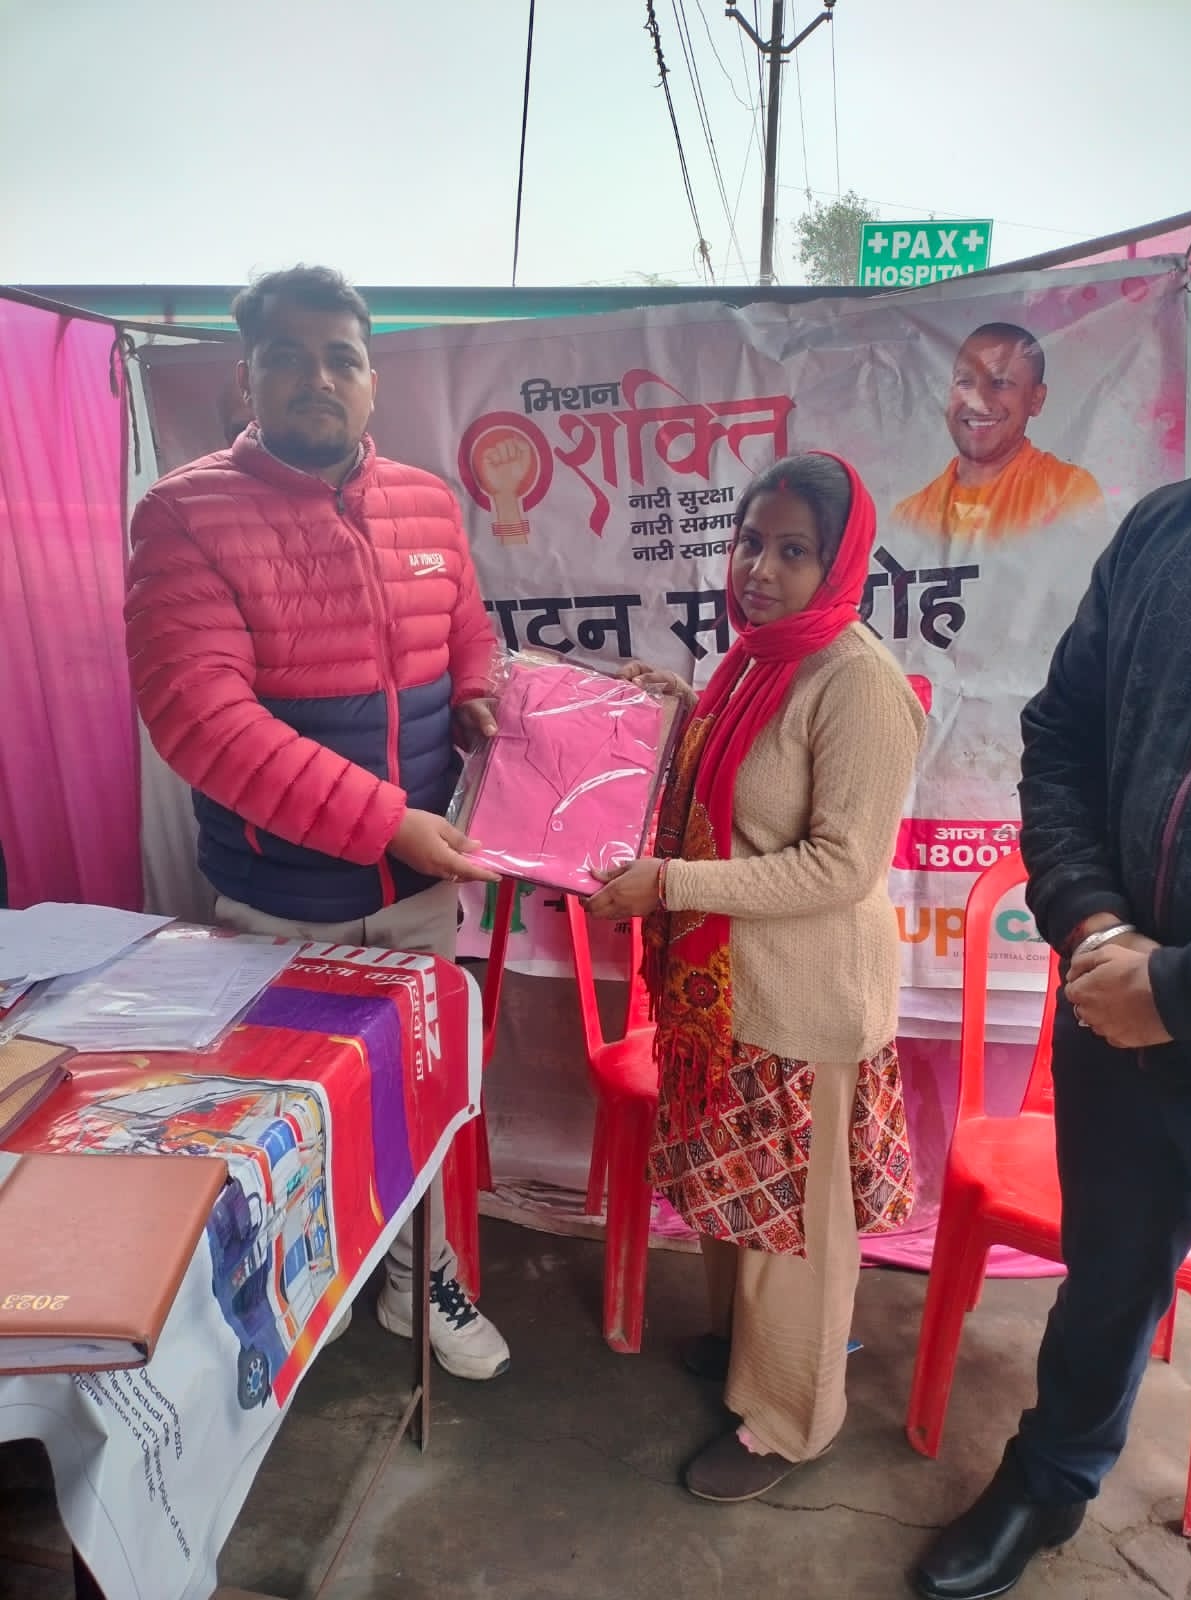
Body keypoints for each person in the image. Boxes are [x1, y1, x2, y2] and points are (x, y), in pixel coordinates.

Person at [124, 265, 511, 1382]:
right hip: (280, 904)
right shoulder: (184, 515)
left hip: (419, 891)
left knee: (425, 1101)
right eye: (287, 357)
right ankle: (312, 1283)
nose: (318, 378)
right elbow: (202, 721)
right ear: (247, 379)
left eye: (341, 357)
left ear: (372, 379)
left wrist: (477, 694)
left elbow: (469, 630)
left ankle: (418, 1280)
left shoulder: (427, 502)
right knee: (295, 1124)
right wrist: (388, 823)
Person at [588, 451, 925, 1500]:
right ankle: (746, 1352)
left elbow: (839, 864)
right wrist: (683, 706)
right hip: (732, 996)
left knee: (796, 1234)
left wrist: (671, 884)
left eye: (793, 551)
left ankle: (788, 1419)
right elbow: (750, 781)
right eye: (749, 543)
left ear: (840, 563)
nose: (760, 570)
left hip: (806, 1002)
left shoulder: (856, 681)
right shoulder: (752, 663)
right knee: (740, 1203)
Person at [913, 473, 1191, 1599]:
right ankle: (1051, 1480)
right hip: (1112, 1003)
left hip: (1157, 995)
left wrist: (1177, 989)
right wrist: (1095, 926)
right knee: (1107, 1278)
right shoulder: (1167, 528)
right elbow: (1062, 734)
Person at [893, 323, 1104, 539]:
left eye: (999, 383)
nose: (977, 403)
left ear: (1036, 399)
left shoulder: (1067, 494)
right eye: (965, 382)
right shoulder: (909, 515)